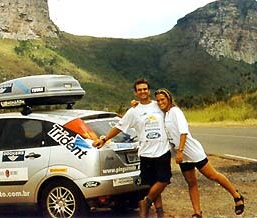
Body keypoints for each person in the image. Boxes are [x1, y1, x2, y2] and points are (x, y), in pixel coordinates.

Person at [154, 88, 245, 217]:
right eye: (158, 100)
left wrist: (179, 151)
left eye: (162, 99)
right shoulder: (165, 113)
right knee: (191, 183)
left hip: (192, 151)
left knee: (212, 175)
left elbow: (183, 132)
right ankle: (197, 212)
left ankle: (236, 196)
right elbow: (148, 106)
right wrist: (135, 104)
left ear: (169, 99)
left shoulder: (175, 111)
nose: (160, 102)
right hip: (183, 156)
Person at [93, 78, 171, 218]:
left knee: (164, 180)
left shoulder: (158, 105)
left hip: (162, 150)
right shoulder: (133, 111)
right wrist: (104, 139)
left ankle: (145, 202)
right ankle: (160, 213)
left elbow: (170, 107)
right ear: (135, 93)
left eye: (145, 89)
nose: (143, 91)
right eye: (139, 90)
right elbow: (119, 127)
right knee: (152, 183)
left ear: (149, 90)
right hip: (146, 152)